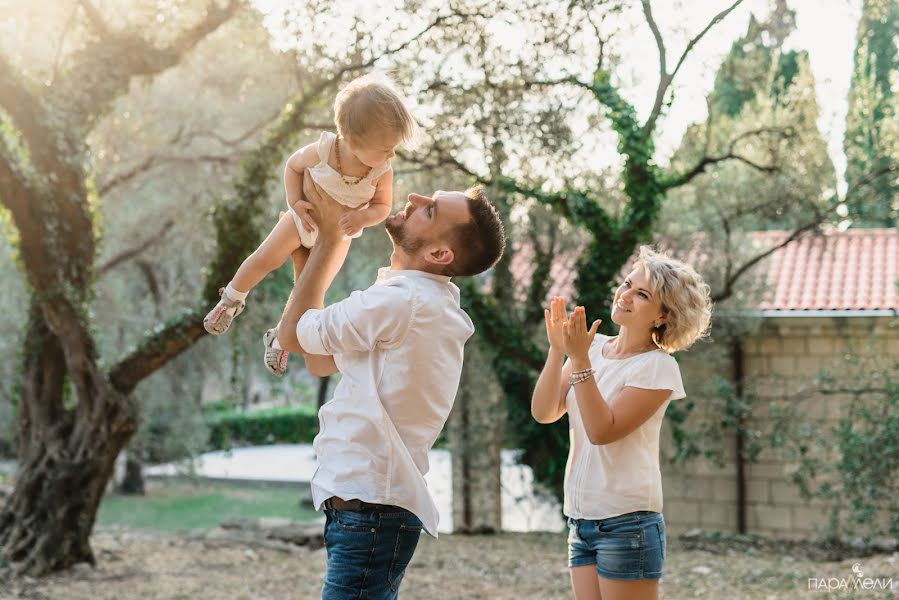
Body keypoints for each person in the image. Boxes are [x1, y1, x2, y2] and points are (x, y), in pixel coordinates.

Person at [277, 173, 505, 599]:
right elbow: (321, 360)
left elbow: (292, 336)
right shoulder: (415, 302)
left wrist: (328, 239)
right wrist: (304, 255)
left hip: (371, 510)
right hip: (368, 508)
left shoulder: (402, 302)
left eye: (431, 209)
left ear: (440, 252)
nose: (415, 197)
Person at [203, 72, 416, 377]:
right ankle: (232, 298)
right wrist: (294, 202)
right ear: (354, 142)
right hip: (302, 220)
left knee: (309, 293)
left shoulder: (381, 170)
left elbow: (382, 207)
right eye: (386, 148)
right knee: (264, 259)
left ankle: (280, 337)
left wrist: (362, 217)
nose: (391, 154)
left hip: (338, 236)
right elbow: (292, 166)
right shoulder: (324, 150)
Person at [531, 246, 712, 600]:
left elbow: (602, 431)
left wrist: (579, 359)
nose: (625, 295)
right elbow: (544, 412)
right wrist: (558, 351)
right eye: (628, 284)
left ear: (663, 316)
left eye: (642, 294)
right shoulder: (594, 348)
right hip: (581, 521)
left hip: (628, 524)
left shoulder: (658, 368)